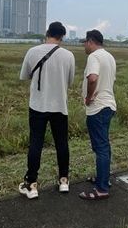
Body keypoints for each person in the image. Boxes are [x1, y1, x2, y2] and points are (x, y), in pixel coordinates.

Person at [18, 21, 76, 200]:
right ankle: (64, 180)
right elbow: (70, 81)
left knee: (36, 143)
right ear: (62, 37)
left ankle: (32, 184)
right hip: (60, 106)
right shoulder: (69, 56)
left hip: (38, 105)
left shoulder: (32, 51)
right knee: (61, 143)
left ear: (47, 33)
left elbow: (24, 76)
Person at [78, 29, 117, 200]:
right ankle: (103, 179)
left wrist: (88, 96)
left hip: (98, 107)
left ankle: (101, 188)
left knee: (100, 147)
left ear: (91, 41)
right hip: (109, 105)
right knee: (104, 146)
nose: (84, 46)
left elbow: (92, 78)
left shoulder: (93, 57)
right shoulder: (109, 56)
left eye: (85, 43)